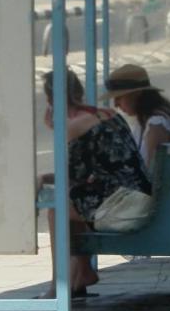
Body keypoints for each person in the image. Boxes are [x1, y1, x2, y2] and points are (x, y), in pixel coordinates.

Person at [37, 68, 151, 297]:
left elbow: (69, 176)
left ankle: (59, 285)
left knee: (57, 207)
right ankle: (82, 272)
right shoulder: (109, 114)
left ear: (50, 100)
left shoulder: (74, 126)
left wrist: (41, 178)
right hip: (140, 196)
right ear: (78, 91)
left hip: (124, 207)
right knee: (76, 200)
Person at [103, 64, 170, 176]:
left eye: (119, 97)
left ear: (137, 93)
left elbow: (152, 175)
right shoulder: (146, 120)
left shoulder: (157, 124)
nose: (116, 104)